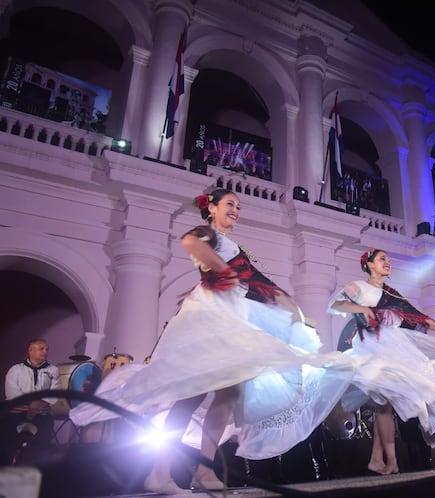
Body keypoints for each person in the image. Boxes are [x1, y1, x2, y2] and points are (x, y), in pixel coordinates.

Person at [70, 189, 360, 494]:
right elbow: (191, 243)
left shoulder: (236, 247)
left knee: (227, 394)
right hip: (210, 316)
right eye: (230, 204)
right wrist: (223, 270)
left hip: (232, 315)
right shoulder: (208, 234)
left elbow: (261, 282)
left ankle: (199, 470)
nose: (235, 210)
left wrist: (293, 310)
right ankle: (166, 470)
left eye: (238, 206)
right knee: (193, 397)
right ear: (211, 207)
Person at [328, 249, 435, 475]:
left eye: (388, 258)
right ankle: (390, 460)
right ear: (369, 265)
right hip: (372, 347)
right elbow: (336, 304)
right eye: (381, 259)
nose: (387, 262)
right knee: (383, 404)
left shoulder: (392, 294)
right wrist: (361, 308)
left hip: (394, 347)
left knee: (383, 405)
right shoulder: (358, 287)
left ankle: (378, 459)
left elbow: (416, 315)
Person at [3, 338, 62, 464]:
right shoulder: (15, 370)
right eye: (41, 348)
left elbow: (55, 392)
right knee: (8, 440)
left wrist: (37, 405)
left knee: (40, 445)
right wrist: (31, 404)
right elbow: (11, 393)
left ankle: (36, 469)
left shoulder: (53, 370)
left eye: (47, 349)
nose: (45, 351)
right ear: (30, 350)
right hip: (16, 414)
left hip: (42, 415)